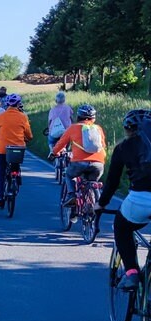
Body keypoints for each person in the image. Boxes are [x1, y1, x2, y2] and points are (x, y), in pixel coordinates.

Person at [95, 109, 151, 290]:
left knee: (121, 227)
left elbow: (112, 182)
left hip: (140, 200)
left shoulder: (122, 148)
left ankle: (132, 273)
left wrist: (101, 203)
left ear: (127, 128)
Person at [51, 104, 106, 208]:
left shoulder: (73, 128)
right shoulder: (98, 129)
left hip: (79, 162)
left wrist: (54, 153)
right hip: (99, 164)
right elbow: (103, 145)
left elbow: (61, 143)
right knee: (92, 181)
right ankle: (91, 203)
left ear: (79, 116)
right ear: (93, 117)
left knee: (69, 175)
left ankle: (72, 196)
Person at [0, 94, 33, 208]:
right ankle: (16, 178)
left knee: (0, 173)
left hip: (2, 150)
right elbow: (30, 135)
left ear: (7, 104)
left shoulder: (1, 116)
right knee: (15, 165)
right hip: (18, 150)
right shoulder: (23, 117)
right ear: (18, 104)